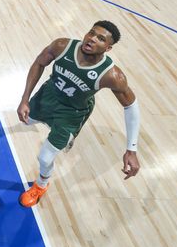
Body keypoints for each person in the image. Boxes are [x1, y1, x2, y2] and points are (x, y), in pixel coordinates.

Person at [16, 22, 141, 207]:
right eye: (91, 32)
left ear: (108, 48)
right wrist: (25, 99)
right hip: (49, 94)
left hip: (71, 113)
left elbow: (131, 106)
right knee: (27, 121)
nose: (92, 38)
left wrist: (131, 149)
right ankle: (62, 135)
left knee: (45, 157)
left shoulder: (112, 76)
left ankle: (41, 185)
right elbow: (39, 62)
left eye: (100, 38)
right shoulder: (62, 46)